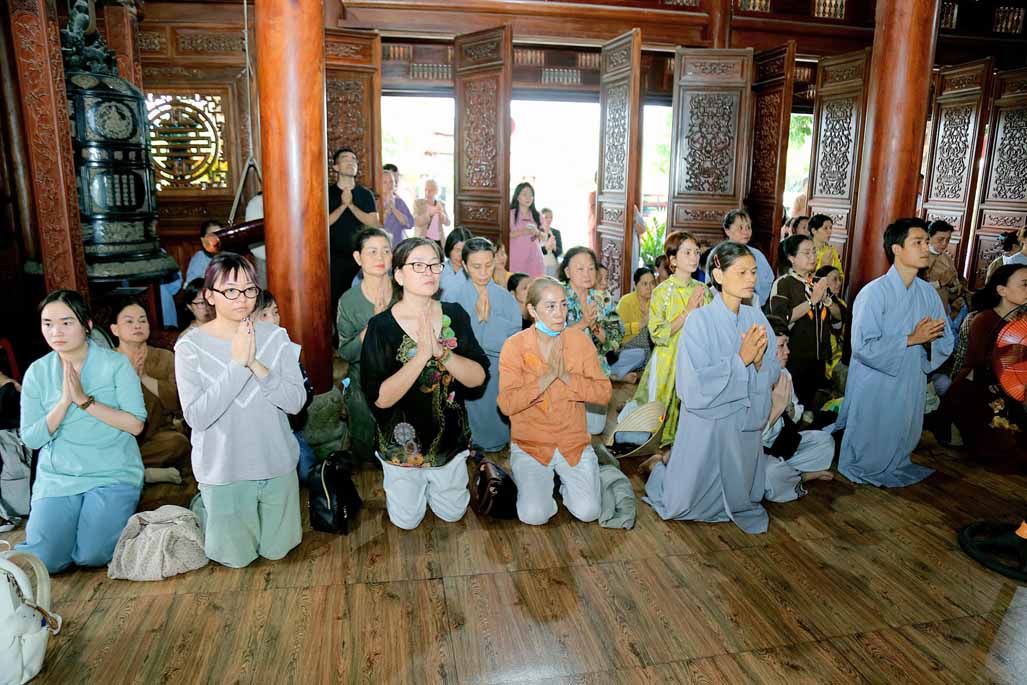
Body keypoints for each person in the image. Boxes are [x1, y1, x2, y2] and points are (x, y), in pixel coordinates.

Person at [175, 253, 306, 568]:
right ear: (210, 295)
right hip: (224, 469)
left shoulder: (276, 337)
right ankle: (204, 506)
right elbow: (197, 417)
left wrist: (254, 364)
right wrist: (236, 366)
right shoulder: (189, 347)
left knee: (278, 552)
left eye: (249, 290)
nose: (242, 298)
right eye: (230, 291)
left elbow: (295, 402)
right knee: (236, 560)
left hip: (275, 462)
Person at [643, 241, 782, 534]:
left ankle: (666, 465)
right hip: (709, 425)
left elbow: (773, 369)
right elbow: (692, 386)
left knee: (748, 493)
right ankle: (658, 469)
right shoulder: (699, 321)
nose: (751, 279)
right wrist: (741, 360)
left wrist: (758, 364)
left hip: (742, 423)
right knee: (681, 504)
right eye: (742, 272)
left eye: (753, 272)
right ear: (718, 276)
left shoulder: (756, 317)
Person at [360, 238, 489, 530]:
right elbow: (380, 398)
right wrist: (420, 358)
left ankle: (438, 484)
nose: (429, 272)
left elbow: (479, 377)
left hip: (448, 439)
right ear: (399, 275)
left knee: (452, 514)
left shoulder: (454, 314)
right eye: (418, 265)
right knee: (407, 521)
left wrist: (443, 354)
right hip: (402, 443)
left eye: (434, 265)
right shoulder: (381, 327)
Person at [17, 290, 146, 573]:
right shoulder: (37, 372)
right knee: (46, 561)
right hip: (58, 477)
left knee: (92, 554)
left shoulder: (115, 364)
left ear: (87, 326)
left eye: (66, 322)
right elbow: (31, 438)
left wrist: (84, 401)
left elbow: (136, 424)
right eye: (48, 323)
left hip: (112, 473)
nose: (56, 331)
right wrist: (64, 402)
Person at [835, 218, 954, 488]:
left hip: (911, 372)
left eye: (926, 242)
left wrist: (925, 346)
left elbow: (945, 338)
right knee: (873, 427)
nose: (925, 248)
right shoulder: (873, 293)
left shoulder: (928, 293)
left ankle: (898, 462)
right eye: (918, 242)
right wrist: (912, 338)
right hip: (876, 377)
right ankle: (863, 464)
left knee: (903, 425)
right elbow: (863, 346)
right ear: (897, 249)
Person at [498, 277, 611, 525]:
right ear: (532, 310)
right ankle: (539, 483)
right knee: (534, 515)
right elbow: (506, 404)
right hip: (531, 445)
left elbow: (603, 392)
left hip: (573, 442)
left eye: (563, 304)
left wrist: (567, 378)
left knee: (589, 512)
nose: (560, 313)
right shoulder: (514, 346)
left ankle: (562, 481)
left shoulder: (579, 341)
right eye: (550, 306)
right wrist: (546, 378)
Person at [632, 232, 712, 455]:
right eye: (687, 252)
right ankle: (656, 455)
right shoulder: (662, 292)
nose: (694, 257)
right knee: (661, 410)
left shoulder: (703, 290)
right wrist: (688, 311)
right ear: (673, 260)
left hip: (695, 357)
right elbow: (657, 333)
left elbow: (709, 328)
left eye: (696, 252)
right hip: (669, 359)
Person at [442, 237, 522, 456]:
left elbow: (515, 338)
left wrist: (488, 323)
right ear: (465, 266)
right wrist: (478, 319)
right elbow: (451, 341)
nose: (484, 272)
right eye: (476, 266)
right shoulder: (453, 298)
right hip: (466, 370)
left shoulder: (505, 297)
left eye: (488, 265)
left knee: (497, 417)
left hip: (499, 369)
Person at [941, 265, 1027, 457]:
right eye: (1025, 285)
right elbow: (987, 365)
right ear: (1002, 290)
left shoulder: (1021, 320)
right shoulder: (983, 320)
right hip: (979, 392)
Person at [109, 297, 190, 485]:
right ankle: (145, 474)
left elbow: (178, 401)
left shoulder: (165, 357)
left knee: (178, 443)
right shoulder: (106, 361)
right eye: (129, 321)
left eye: (142, 320)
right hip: (118, 438)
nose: (137, 325)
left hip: (156, 438)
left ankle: (130, 471)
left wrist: (144, 378)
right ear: (115, 329)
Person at [337, 227, 395, 461]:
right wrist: (373, 326)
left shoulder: (404, 292)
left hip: (401, 378)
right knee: (366, 449)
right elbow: (347, 353)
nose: (380, 257)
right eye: (372, 251)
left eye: (386, 251)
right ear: (358, 257)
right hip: (363, 381)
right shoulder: (349, 301)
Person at [767, 235, 843, 408]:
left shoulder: (818, 283)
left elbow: (839, 318)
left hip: (818, 360)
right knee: (793, 407)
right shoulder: (784, 283)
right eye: (806, 253)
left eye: (814, 252)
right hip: (794, 358)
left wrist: (827, 301)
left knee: (813, 408)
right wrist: (812, 301)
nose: (812, 257)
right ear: (792, 258)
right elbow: (781, 320)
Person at [762, 315, 835, 490]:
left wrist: (788, 407)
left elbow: (796, 415)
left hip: (782, 442)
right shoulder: (752, 377)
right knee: (771, 474)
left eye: (787, 345)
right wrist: (776, 409)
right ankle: (800, 476)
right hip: (758, 451)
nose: (787, 351)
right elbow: (750, 438)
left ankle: (787, 473)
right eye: (781, 346)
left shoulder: (784, 374)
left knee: (825, 442)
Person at [254, 290, 317, 482]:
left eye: (275, 312)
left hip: (290, 428)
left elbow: (305, 393)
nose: (273, 320)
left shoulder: (285, 347)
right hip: (260, 437)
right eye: (264, 315)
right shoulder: (247, 353)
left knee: (307, 471)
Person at [561, 246, 632, 383]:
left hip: (596, 371)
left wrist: (594, 327)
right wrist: (583, 323)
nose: (587, 274)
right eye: (580, 269)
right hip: (564, 371)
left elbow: (615, 339)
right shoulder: (557, 296)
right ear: (567, 272)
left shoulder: (603, 299)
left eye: (591, 268)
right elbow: (549, 337)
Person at [328, 147, 379, 309]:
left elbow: (373, 223)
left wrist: (351, 205)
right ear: (336, 167)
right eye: (345, 158)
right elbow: (323, 223)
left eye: (354, 159)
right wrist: (343, 205)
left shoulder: (365, 194)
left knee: (363, 300)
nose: (351, 162)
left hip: (361, 257)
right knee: (337, 302)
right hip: (334, 258)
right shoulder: (327, 193)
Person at [923, 220, 968, 335]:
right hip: (926, 311)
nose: (944, 244)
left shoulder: (946, 257)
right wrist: (940, 283)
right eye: (940, 239)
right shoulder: (921, 256)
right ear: (929, 237)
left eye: (948, 240)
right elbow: (914, 286)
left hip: (945, 308)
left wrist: (956, 287)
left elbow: (955, 280)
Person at [723, 209, 774, 306]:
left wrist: (754, 298)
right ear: (727, 230)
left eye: (748, 227)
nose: (746, 232)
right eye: (740, 228)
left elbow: (768, 280)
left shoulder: (757, 254)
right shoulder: (718, 254)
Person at [814, 265, 849, 382]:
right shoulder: (813, 301)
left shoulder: (840, 303)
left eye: (840, 279)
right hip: (821, 361)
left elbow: (840, 317)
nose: (839, 283)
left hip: (838, 357)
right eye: (835, 279)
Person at [509, 182, 545, 277]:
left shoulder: (537, 215)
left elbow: (545, 237)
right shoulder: (510, 214)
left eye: (531, 195)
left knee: (535, 284)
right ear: (517, 197)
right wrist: (523, 231)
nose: (528, 198)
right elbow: (505, 235)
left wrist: (537, 232)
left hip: (535, 259)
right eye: (525, 194)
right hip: (516, 259)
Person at [617, 267, 656, 346]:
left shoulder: (657, 301)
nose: (649, 288)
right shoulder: (626, 302)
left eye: (652, 283)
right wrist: (642, 323)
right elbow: (618, 330)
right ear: (635, 285)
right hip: (628, 345)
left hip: (651, 344)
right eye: (644, 284)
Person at [380, 167, 414, 245]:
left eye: (391, 181)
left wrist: (393, 208)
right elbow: (376, 225)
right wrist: (387, 209)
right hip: (382, 243)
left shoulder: (399, 202)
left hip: (398, 243)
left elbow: (410, 223)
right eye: (385, 182)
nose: (389, 185)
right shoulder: (376, 202)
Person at [413, 179, 450, 245]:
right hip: (423, 240)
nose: (427, 192)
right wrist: (429, 214)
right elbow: (416, 222)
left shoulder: (440, 204)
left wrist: (441, 214)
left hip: (438, 241)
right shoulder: (418, 203)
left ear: (436, 191)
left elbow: (448, 223)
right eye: (426, 189)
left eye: (430, 190)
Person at [439, 227, 474, 297]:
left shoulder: (474, 271)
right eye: (457, 250)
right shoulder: (438, 270)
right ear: (449, 249)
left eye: (464, 250)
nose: (460, 255)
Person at [809, 214, 843, 279]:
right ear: (814, 230)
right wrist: (823, 266)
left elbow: (840, 275)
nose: (830, 231)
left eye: (830, 228)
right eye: (825, 228)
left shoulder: (832, 251)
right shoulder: (807, 252)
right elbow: (805, 279)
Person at [539, 208, 563, 278]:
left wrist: (554, 247)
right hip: (540, 265)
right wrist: (546, 247)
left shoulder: (556, 232)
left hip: (553, 265)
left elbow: (560, 252)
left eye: (551, 217)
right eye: (546, 217)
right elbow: (533, 252)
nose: (549, 219)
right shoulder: (536, 232)